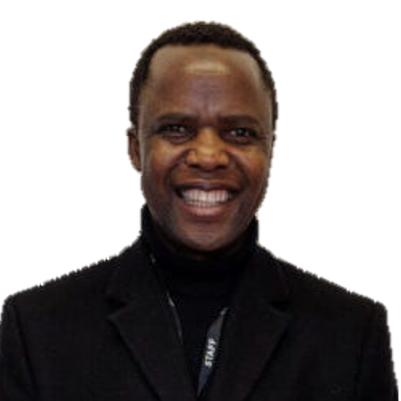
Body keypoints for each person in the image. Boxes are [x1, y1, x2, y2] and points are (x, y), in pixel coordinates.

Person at [0, 20, 397, 400]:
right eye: (177, 129)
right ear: (135, 148)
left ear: (271, 153)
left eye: (239, 132)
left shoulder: (352, 333)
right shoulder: (38, 328)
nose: (208, 156)